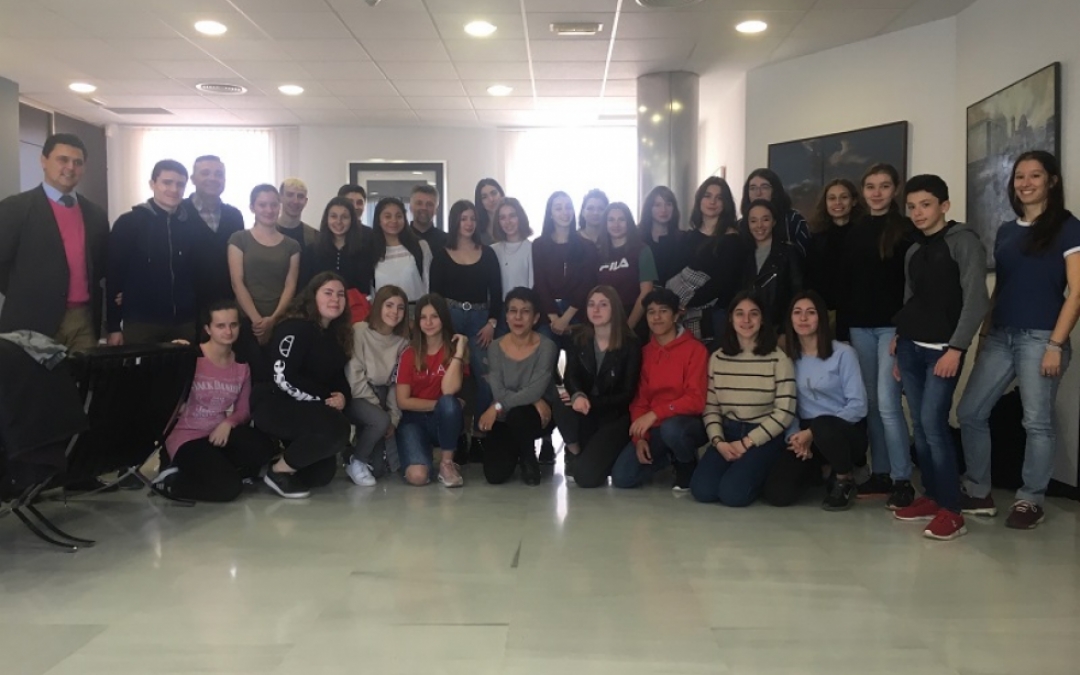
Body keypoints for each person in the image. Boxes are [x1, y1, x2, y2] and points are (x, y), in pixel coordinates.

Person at [958, 150, 1080, 530]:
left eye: (1035, 176)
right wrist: (984, 333)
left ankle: (1031, 500)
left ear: (1052, 182)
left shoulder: (1068, 227)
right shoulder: (1007, 231)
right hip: (1001, 334)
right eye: (1019, 177)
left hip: (1041, 337)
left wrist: (1055, 345)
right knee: (970, 412)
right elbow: (1001, 289)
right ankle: (978, 490)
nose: (1025, 183)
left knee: (1036, 422)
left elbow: (1077, 292)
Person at [892, 174, 989, 540]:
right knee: (919, 425)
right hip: (910, 348)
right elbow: (911, 298)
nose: (918, 213)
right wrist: (900, 338)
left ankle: (952, 509)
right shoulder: (914, 250)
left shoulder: (964, 243)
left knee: (934, 424)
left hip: (943, 353)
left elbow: (976, 300)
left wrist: (957, 348)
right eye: (912, 207)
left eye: (926, 205)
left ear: (944, 206)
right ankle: (932, 496)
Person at [839, 163, 915, 506]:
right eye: (871, 186)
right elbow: (847, 285)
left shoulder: (906, 231)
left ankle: (902, 478)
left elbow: (913, 287)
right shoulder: (854, 232)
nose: (877, 192)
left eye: (884, 186)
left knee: (888, 402)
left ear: (895, 189)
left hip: (892, 328)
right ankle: (880, 472)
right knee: (870, 403)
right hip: (860, 327)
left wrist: (905, 329)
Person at [158, 300, 276, 502]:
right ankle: (170, 482)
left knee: (263, 448)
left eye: (233, 325)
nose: (228, 331)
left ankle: (211, 468)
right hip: (187, 437)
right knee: (228, 489)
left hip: (217, 435)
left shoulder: (241, 366)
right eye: (220, 326)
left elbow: (243, 410)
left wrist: (228, 423)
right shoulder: (191, 356)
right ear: (208, 329)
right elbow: (163, 393)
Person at [0, 133, 109, 351]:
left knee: (81, 374)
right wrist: (26, 294)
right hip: (31, 320)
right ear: (44, 161)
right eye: (63, 160)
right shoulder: (14, 208)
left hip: (83, 320)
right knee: (33, 375)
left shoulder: (95, 214)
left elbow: (100, 266)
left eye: (78, 162)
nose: (70, 167)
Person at [251, 272, 354, 498]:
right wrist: (325, 399)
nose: (335, 299)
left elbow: (337, 377)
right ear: (313, 296)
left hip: (306, 408)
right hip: (274, 404)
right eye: (328, 293)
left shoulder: (335, 334)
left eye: (340, 294)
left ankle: (276, 462)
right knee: (337, 428)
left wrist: (342, 396)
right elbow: (283, 376)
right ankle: (277, 472)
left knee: (320, 475)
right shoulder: (295, 328)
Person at [762, 292, 868, 510]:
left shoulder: (843, 353)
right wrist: (795, 437)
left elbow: (858, 405)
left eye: (810, 313)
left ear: (821, 318)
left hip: (843, 429)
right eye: (797, 313)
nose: (803, 318)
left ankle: (844, 479)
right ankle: (821, 471)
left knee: (822, 425)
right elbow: (789, 404)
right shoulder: (789, 357)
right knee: (777, 494)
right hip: (806, 431)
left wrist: (813, 432)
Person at [691, 292, 796, 507]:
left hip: (764, 435)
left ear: (762, 319)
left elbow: (784, 413)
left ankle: (759, 470)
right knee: (702, 491)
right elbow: (711, 407)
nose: (746, 320)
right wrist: (719, 442)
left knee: (733, 495)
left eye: (753, 314)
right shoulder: (718, 358)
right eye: (739, 314)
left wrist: (747, 442)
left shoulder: (778, 358)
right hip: (728, 432)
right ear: (730, 318)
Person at [611, 288, 708, 491]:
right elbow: (640, 400)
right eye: (651, 312)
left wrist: (656, 414)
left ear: (675, 315)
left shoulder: (695, 350)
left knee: (672, 429)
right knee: (622, 477)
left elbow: (696, 400)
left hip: (687, 424)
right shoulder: (645, 352)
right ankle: (668, 456)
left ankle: (686, 462)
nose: (656, 317)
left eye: (663, 311)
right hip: (655, 427)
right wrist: (639, 438)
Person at [106, 159, 208, 345]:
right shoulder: (129, 223)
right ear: (152, 184)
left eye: (180, 184)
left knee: (184, 365)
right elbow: (114, 276)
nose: (174, 189)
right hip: (141, 323)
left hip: (185, 322)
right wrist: (113, 326)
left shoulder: (192, 225)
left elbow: (198, 275)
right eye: (167, 182)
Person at [554, 285, 640, 488]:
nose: (596, 309)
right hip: (585, 411)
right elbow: (570, 375)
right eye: (591, 304)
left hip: (614, 416)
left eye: (603, 304)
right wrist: (577, 395)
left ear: (615, 309)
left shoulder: (630, 344)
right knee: (561, 401)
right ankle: (573, 452)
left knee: (586, 478)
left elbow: (628, 393)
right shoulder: (579, 338)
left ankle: (606, 455)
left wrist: (589, 400)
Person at [430, 200, 503, 441]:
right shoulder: (441, 255)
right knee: (451, 376)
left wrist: (492, 323)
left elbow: (497, 292)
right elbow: (434, 296)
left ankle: (481, 431)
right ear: (455, 222)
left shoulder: (488, 253)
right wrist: (441, 327)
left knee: (486, 377)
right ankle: (457, 433)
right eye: (464, 219)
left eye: (472, 218)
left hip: (481, 321)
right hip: (449, 318)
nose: (469, 223)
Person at [478, 287, 559, 485]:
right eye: (513, 311)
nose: (518, 317)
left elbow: (535, 390)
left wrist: (497, 406)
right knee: (495, 475)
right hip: (504, 415)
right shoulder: (495, 347)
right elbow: (498, 390)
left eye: (525, 311)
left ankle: (528, 459)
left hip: (536, 416)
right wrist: (533, 398)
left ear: (535, 317)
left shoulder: (547, 347)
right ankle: (517, 447)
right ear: (506, 317)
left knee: (519, 415)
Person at [395, 293, 467, 488]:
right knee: (417, 477)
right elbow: (403, 401)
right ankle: (424, 457)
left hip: (443, 421)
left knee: (449, 403)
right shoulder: (409, 354)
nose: (428, 322)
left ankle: (446, 464)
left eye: (434, 316)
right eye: (423, 317)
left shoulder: (454, 351)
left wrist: (459, 353)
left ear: (443, 318)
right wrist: (439, 405)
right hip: (413, 421)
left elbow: (449, 390)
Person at [667, 177, 748, 345]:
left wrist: (687, 303)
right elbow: (675, 271)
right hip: (681, 314)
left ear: (726, 203)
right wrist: (676, 303)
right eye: (707, 196)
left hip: (716, 316)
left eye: (719, 198)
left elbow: (722, 284)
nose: (712, 202)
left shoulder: (732, 240)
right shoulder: (688, 237)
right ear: (699, 200)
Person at [344, 285, 410, 486]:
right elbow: (354, 375)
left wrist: (393, 418)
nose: (394, 312)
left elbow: (396, 383)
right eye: (389, 305)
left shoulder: (403, 342)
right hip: (357, 395)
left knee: (379, 470)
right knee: (380, 421)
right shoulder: (360, 331)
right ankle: (357, 461)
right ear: (378, 306)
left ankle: (353, 453)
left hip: (383, 397)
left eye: (400, 307)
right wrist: (381, 413)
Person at [228, 185, 301, 347]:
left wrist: (273, 319)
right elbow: (237, 282)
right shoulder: (239, 239)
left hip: (281, 319)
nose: (269, 210)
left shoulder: (292, 245)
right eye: (262, 205)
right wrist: (257, 321)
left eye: (274, 205)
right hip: (246, 319)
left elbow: (290, 285)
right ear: (252, 207)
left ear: (279, 206)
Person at [533, 191, 599, 346]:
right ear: (550, 214)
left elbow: (587, 284)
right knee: (545, 357)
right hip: (547, 314)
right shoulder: (538, 245)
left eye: (568, 207)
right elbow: (540, 284)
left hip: (577, 313)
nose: (565, 212)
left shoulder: (587, 246)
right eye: (558, 208)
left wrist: (565, 319)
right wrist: (555, 319)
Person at [182, 155, 245, 311]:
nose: (213, 178)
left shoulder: (234, 215)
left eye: (219, 174)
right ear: (193, 179)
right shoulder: (178, 212)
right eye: (205, 173)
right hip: (186, 308)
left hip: (227, 306)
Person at [804, 179, 864, 339]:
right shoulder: (816, 237)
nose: (837, 202)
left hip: (857, 313)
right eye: (831, 198)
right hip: (824, 312)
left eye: (844, 197)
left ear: (854, 201)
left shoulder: (864, 234)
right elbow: (809, 277)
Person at [741, 199, 802, 334]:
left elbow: (798, 294)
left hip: (778, 328)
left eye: (765, 219)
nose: (759, 225)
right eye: (753, 221)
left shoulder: (789, 252)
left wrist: (786, 331)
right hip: (748, 327)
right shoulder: (742, 253)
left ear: (774, 221)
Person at [596, 202, 657, 336]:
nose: (616, 224)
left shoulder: (642, 250)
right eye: (611, 220)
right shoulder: (598, 253)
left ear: (629, 222)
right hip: (604, 318)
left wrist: (628, 326)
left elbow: (646, 291)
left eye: (621, 219)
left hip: (634, 318)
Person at [304, 197, 374, 295]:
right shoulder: (311, 251)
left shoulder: (364, 251)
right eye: (333, 216)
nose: (338, 221)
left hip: (355, 303)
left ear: (352, 220)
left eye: (344, 217)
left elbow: (365, 288)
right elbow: (305, 288)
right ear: (326, 219)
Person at [372, 197, 431, 306]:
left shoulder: (420, 246)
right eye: (387, 216)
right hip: (383, 311)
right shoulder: (371, 250)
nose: (394, 221)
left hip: (415, 308)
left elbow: (428, 282)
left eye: (399, 216)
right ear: (379, 221)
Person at [740, 168, 809, 258]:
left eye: (764, 187)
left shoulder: (793, 220)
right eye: (753, 188)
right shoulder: (740, 225)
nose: (758, 193)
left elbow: (805, 257)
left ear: (775, 191)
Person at [490, 198, 534, 333]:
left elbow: (533, 286)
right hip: (498, 312)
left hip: (523, 311)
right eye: (502, 217)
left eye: (512, 216)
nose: (508, 222)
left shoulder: (532, 248)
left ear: (520, 217)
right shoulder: (492, 250)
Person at [638, 185, 682, 287]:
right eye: (657, 205)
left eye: (668, 204)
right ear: (649, 208)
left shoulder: (682, 239)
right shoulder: (637, 237)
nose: (663, 210)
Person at [276, 177, 318, 251]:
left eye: (300, 196)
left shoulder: (314, 236)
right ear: (280, 198)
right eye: (290, 195)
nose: (295, 201)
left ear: (305, 201)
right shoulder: (266, 231)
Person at [409, 184, 447, 250]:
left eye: (429, 204)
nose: (424, 208)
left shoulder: (447, 242)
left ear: (436, 210)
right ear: (411, 208)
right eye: (419, 203)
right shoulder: (399, 239)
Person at [474, 177, 505, 246]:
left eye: (494, 193)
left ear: (501, 194)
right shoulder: (476, 229)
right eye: (484, 197)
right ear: (480, 202)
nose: (491, 199)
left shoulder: (512, 221)